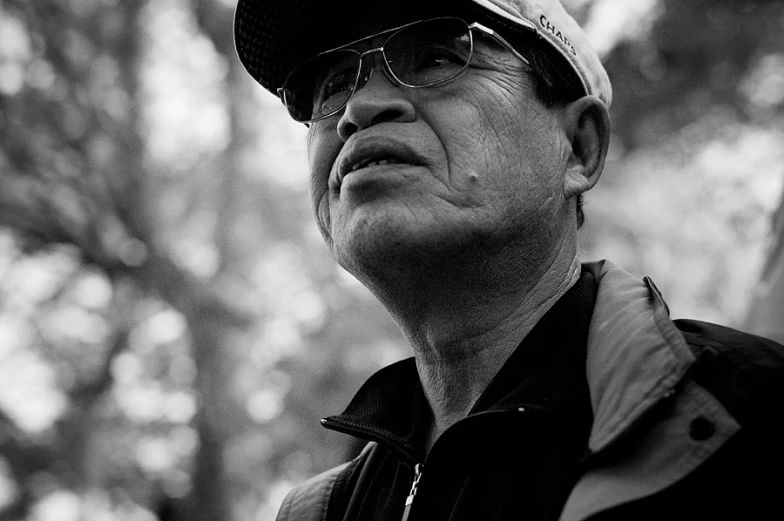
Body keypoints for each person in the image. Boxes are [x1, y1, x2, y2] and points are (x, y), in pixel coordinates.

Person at [234, 0, 784, 519]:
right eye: (331, 86)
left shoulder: (749, 413)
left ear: (579, 147)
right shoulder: (319, 511)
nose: (357, 110)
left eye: (436, 57)